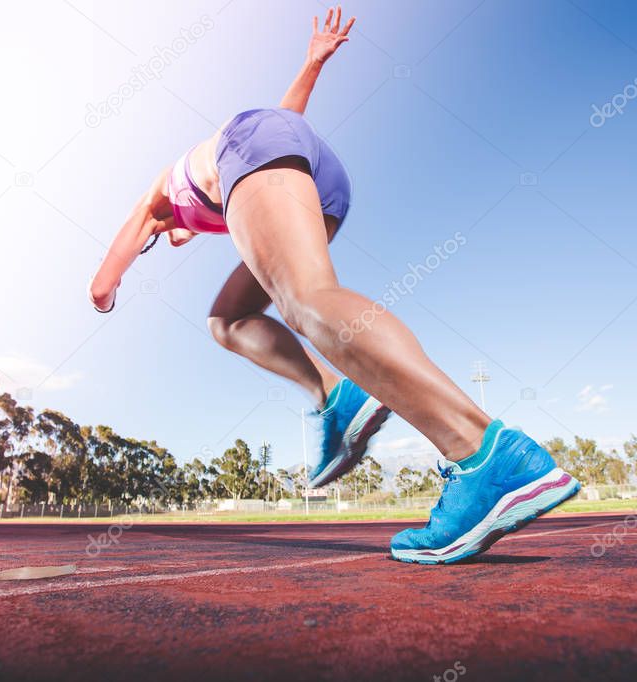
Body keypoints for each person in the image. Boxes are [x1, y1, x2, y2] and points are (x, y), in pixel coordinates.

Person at [88, 7, 580, 564]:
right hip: (310, 169)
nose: (184, 238)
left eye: (181, 235)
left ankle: (483, 453)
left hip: (262, 144)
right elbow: (285, 126)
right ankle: (336, 393)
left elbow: (120, 252)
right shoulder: (228, 196)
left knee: (305, 299)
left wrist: (104, 288)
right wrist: (314, 61)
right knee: (228, 318)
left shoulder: (162, 201)